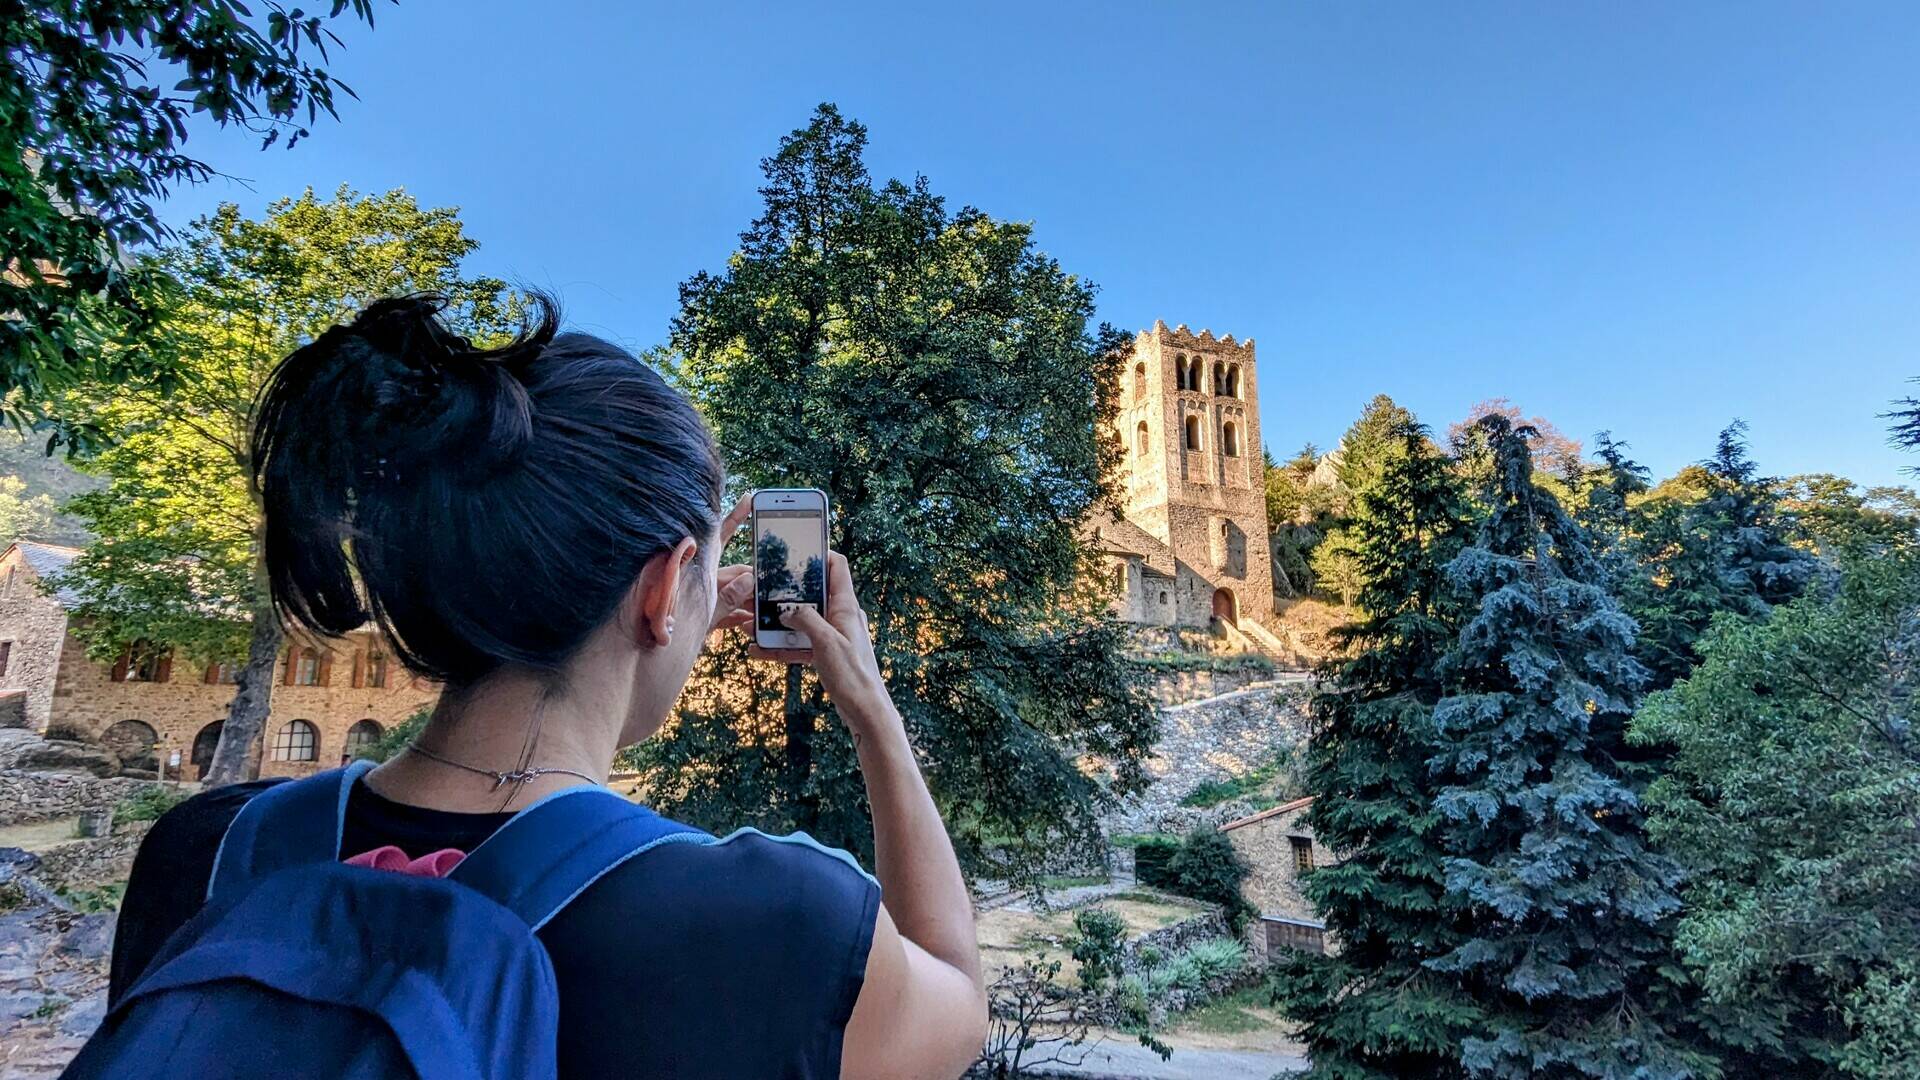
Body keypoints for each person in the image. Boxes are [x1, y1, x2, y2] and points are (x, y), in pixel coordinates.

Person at [106, 295, 987, 1079]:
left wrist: (661, 608)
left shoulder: (202, 853)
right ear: (661, 588)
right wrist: (870, 707)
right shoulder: (780, 920)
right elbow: (958, 1004)